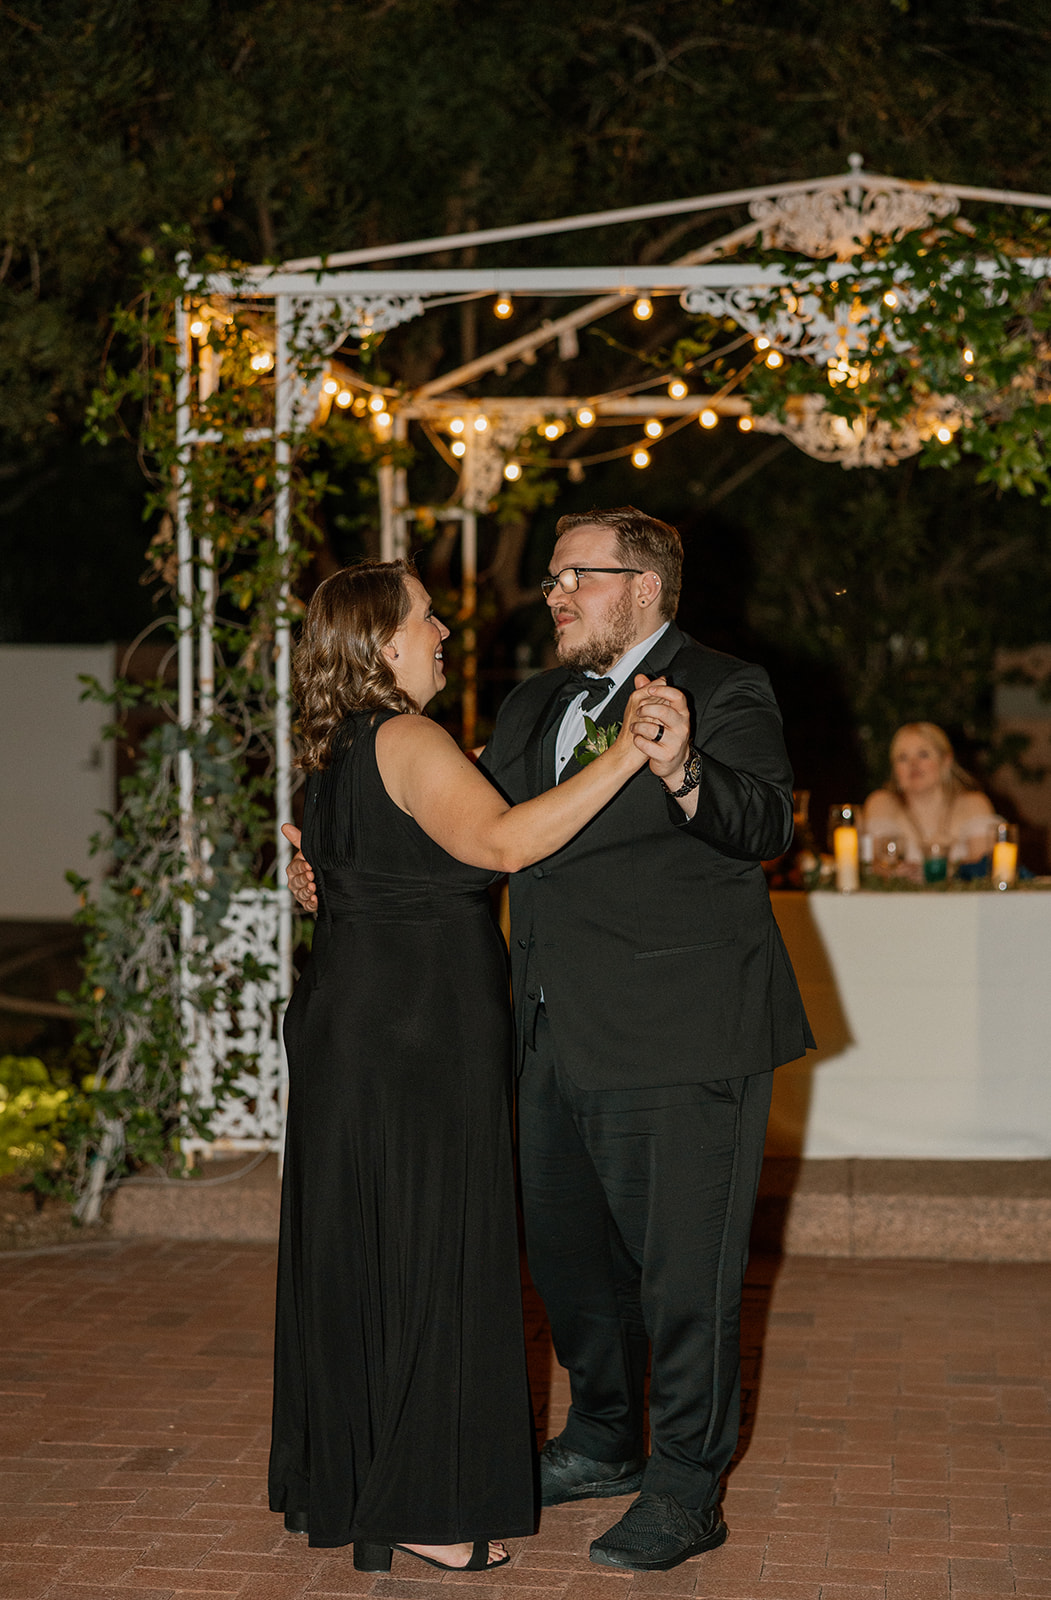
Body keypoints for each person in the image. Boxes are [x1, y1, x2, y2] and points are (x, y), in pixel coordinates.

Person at [288, 509, 813, 1574]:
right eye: (553, 577)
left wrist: (680, 771)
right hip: (540, 1040)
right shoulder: (533, 702)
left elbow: (763, 825)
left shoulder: (724, 686)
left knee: (682, 1280)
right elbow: (457, 825)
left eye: (576, 575)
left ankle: (685, 1485)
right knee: (570, 1268)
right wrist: (335, 873)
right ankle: (605, 1437)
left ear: (644, 588)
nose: (553, 593)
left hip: (681, 1037)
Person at [269, 558, 669, 1572]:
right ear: (380, 642)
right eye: (424, 615)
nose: (442, 627)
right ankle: (432, 1510)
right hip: (413, 1036)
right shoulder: (406, 734)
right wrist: (624, 756)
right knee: (432, 1253)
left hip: (358, 1024)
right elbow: (495, 844)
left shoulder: (337, 747)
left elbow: (356, 872)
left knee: (378, 1250)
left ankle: (371, 1483)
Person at [863, 722, 995, 870]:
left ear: (946, 761)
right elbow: (873, 865)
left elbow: (982, 868)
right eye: (903, 758)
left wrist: (940, 872)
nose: (913, 764)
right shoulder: (881, 803)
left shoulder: (973, 804)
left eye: (923, 755)